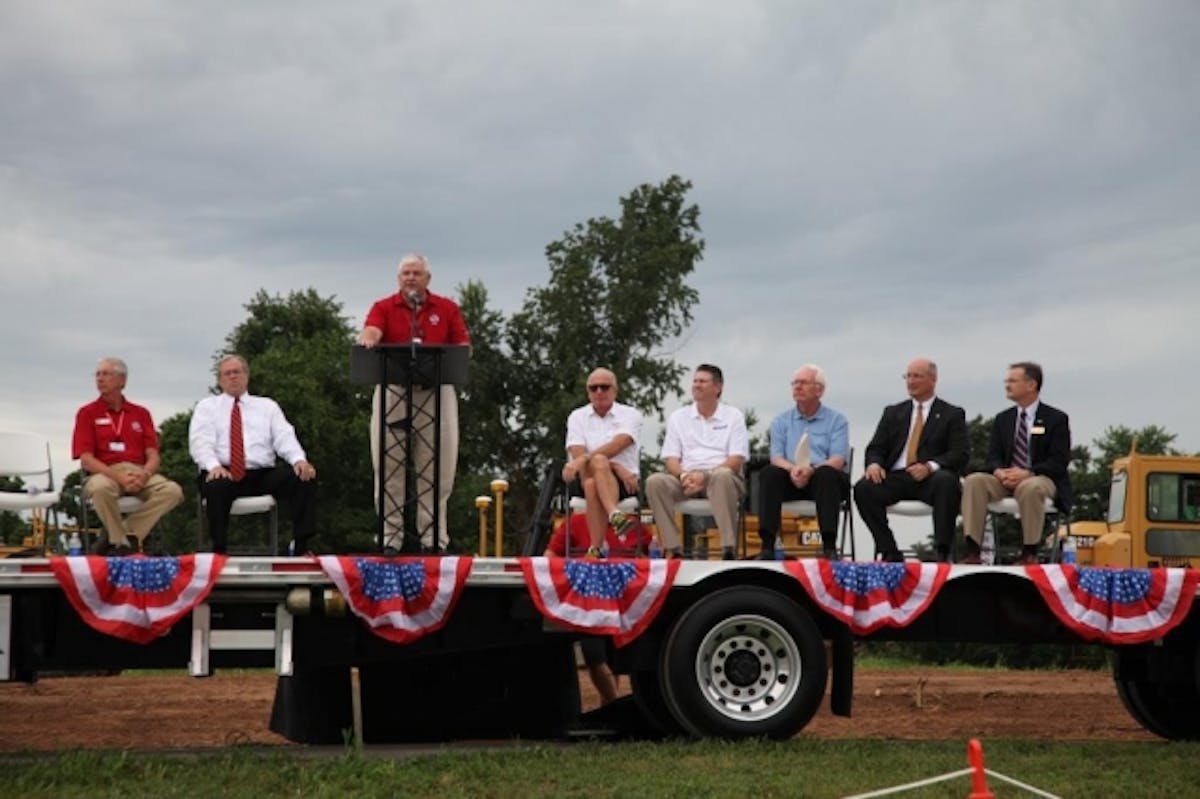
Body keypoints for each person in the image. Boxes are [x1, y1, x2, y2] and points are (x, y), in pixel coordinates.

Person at [358, 253, 471, 553]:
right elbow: (372, 330)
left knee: (438, 469)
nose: (410, 278)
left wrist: (461, 353)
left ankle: (433, 539)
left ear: (427, 279)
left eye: (416, 273)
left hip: (435, 390)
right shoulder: (384, 306)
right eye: (405, 273)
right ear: (398, 279)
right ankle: (390, 539)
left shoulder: (446, 308)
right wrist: (369, 339)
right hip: (394, 389)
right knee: (389, 466)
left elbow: (462, 345)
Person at [189, 355, 318, 555]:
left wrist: (299, 460)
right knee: (216, 486)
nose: (232, 377)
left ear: (246, 376)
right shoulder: (207, 407)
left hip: (261, 473)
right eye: (227, 373)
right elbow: (200, 442)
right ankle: (219, 551)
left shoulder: (267, 406)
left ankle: (301, 546)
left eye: (237, 372)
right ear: (220, 380)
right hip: (223, 471)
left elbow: (284, 436)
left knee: (302, 477)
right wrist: (213, 466)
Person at [854, 359, 969, 563]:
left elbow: (960, 453)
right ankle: (889, 550)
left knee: (947, 482)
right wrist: (874, 464)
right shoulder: (893, 412)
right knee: (863, 488)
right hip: (897, 477)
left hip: (931, 479)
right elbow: (876, 448)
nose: (911, 381)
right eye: (908, 376)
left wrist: (930, 466)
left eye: (917, 376)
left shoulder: (952, 414)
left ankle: (943, 550)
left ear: (933, 379)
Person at [961, 361, 1071, 565]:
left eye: (1012, 380)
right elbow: (992, 456)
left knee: (1030, 487)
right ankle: (973, 551)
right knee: (974, 481)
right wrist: (999, 472)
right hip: (1006, 480)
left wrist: (1028, 473)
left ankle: (1029, 553)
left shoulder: (1056, 419)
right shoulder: (1003, 419)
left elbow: (1059, 461)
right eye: (1006, 381)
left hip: (1041, 478)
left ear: (1031, 385)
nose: (1007, 385)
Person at [71, 357, 183, 554]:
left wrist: (145, 474)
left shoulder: (141, 413)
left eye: (106, 374)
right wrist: (118, 477)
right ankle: (122, 543)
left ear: (122, 380)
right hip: (105, 472)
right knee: (99, 488)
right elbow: (86, 459)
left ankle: (123, 537)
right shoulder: (87, 413)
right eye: (97, 374)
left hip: (139, 471)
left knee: (173, 491)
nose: (99, 379)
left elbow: (154, 455)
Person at [543, 512, 653, 706]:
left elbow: (650, 557)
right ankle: (613, 705)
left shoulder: (632, 524)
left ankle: (607, 706)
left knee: (614, 659)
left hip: (622, 601)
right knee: (593, 656)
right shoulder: (576, 522)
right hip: (589, 601)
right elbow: (550, 556)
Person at [646, 365, 749, 560]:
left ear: (717, 388)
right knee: (655, 481)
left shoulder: (733, 416)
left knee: (722, 475)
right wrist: (684, 476)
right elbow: (671, 459)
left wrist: (705, 476)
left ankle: (728, 548)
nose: (696, 385)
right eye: (695, 381)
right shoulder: (679, 417)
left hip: (721, 478)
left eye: (702, 381)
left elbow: (736, 460)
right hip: (687, 479)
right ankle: (673, 548)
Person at [757, 364, 850, 560]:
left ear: (820, 390)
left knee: (827, 474)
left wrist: (812, 470)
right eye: (795, 383)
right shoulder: (781, 421)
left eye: (804, 383)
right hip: (791, 477)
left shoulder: (837, 420)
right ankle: (767, 546)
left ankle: (829, 547)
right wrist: (794, 470)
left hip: (822, 479)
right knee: (769, 473)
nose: (797, 387)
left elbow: (838, 459)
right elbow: (776, 457)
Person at [562, 368, 643, 558]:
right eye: (594, 388)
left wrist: (589, 460)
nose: (599, 392)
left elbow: (619, 444)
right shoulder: (577, 417)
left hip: (625, 482)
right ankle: (614, 515)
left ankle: (595, 548)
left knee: (593, 483)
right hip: (588, 474)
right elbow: (577, 452)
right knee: (594, 470)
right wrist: (614, 465)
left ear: (615, 390)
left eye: (604, 387)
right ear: (588, 391)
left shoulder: (630, 414)